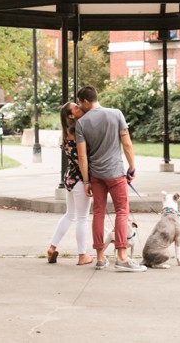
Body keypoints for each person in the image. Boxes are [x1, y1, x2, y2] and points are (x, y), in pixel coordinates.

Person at [75, 85, 146, 272]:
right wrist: (132, 166)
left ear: (85, 101)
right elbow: (127, 143)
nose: (79, 107)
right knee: (122, 211)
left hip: (96, 175)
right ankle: (122, 258)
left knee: (98, 212)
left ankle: (100, 257)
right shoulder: (116, 114)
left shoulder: (81, 123)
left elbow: (82, 156)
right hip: (115, 173)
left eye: (79, 103)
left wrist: (87, 181)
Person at [46, 101, 94, 265]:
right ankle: (82, 255)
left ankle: (52, 247)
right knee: (82, 218)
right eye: (75, 107)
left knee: (70, 214)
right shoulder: (79, 131)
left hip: (69, 178)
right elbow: (83, 158)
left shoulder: (66, 132)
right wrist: (88, 180)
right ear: (71, 115)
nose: (79, 107)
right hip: (80, 179)